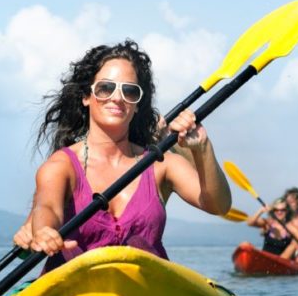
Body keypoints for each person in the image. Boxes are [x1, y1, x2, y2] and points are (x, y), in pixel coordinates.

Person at [13, 39, 231, 272]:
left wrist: (202, 148)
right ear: (86, 97)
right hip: (74, 291)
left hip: (145, 291)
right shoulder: (61, 165)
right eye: (106, 88)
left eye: (129, 91)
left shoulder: (161, 164)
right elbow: (47, 208)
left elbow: (218, 205)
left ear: (137, 105)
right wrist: (44, 231)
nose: (117, 98)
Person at [246, 197, 298, 267]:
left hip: (282, 261)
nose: (279, 212)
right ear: (273, 211)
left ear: (287, 211)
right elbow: (250, 223)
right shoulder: (268, 223)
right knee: (245, 244)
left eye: (283, 210)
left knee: (295, 243)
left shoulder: (290, 227)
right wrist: (260, 211)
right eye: (277, 210)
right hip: (266, 258)